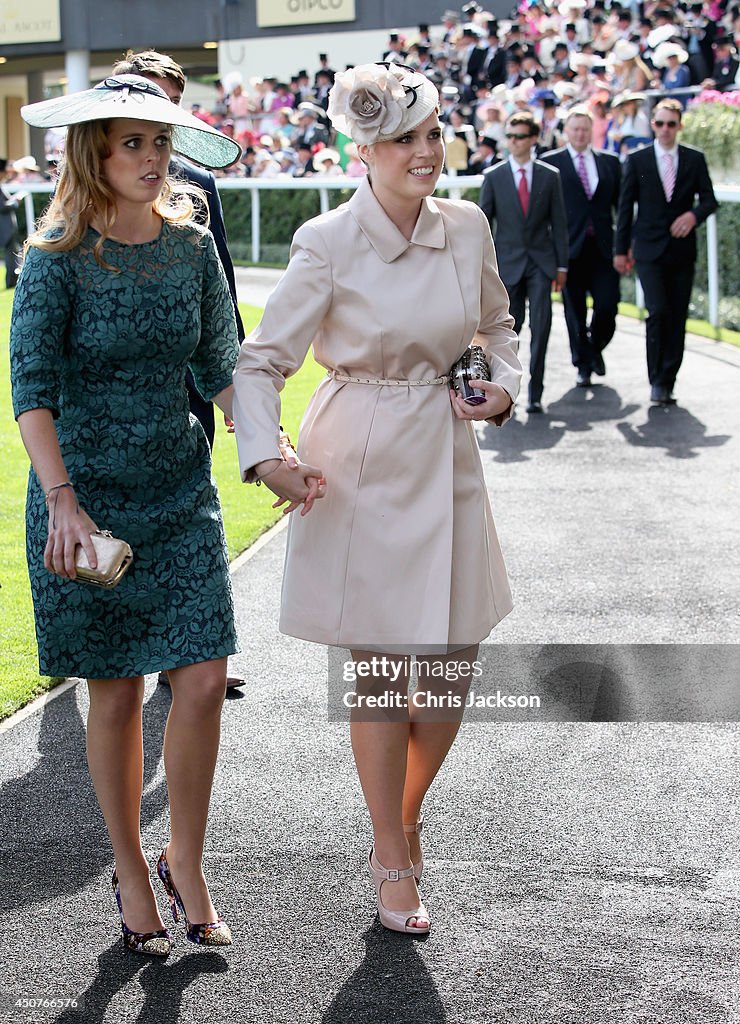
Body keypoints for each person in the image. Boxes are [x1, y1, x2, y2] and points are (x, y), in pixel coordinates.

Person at [231, 63, 521, 935]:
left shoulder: (467, 226)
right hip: (357, 464)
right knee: (383, 678)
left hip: (448, 451)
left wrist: (498, 389)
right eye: (405, 138)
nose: (426, 151)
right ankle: (392, 854)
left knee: (450, 680)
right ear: (363, 151)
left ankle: (403, 814)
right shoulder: (326, 240)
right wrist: (266, 458)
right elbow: (261, 362)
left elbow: (495, 330)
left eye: (434, 132)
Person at [11, 75, 242, 955]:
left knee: (205, 680)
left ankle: (186, 856)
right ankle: (130, 867)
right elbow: (30, 391)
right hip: (87, 508)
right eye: (132, 144)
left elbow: (223, 364)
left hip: (182, 495)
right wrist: (62, 502)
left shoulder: (189, 246)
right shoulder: (56, 256)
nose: (152, 159)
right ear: (94, 154)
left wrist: (271, 440)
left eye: (159, 142)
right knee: (114, 698)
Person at [111, 50, 246, 690]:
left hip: (189, 387)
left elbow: (217, 302)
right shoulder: (73, 217)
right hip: (102, 434)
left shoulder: (199, 194)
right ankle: (135, 658)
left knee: (188, 517)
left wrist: (248, 403)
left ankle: (184, 655)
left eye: (163, 122)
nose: (152, 145)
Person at [614, 99, 719, 405]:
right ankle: (656, 379)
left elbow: (710, 200)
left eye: (671, 123)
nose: (665, 129)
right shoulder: (637, 160)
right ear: (653, 125)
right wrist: (621, 250)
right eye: (659, 123)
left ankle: (668, 380)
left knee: (677, 316)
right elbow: (624, 209)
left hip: (682, 250)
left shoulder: (694, 159)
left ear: (679, 126)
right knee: (658, 311)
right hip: (648, 249)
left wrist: (693, 216)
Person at [479, 110, 568, 413]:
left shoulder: (549, 176)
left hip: (541, 264)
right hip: (507, 267)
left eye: (519, 137)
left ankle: (537, 393)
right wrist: (484, 270)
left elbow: (559, 223)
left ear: (532, 139)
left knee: (541, 330)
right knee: (508, 335)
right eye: (510, 136)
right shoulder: (494, 177)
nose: (513, 142)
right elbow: (483, 227)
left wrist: (562, 266)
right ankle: (506, 391)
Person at [542, 108, 622, 387]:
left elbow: (621, 208)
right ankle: (583, 364)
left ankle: (594, 347)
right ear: (566, 132)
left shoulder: (610, 163)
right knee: (574, 312)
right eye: (575, 129)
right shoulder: (550, 163)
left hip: (603, 247)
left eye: (585, 129)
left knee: (608, 306)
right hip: (568, 249)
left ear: (592, 131)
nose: (580, 134)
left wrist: (624, 246)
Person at [0, 159, 24, 288]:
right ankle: (10, 281)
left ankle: (12, 280)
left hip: (7, 226)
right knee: (10, 255)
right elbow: (2, 206)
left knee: (12, 254)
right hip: (4, 227)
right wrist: (15, 201)